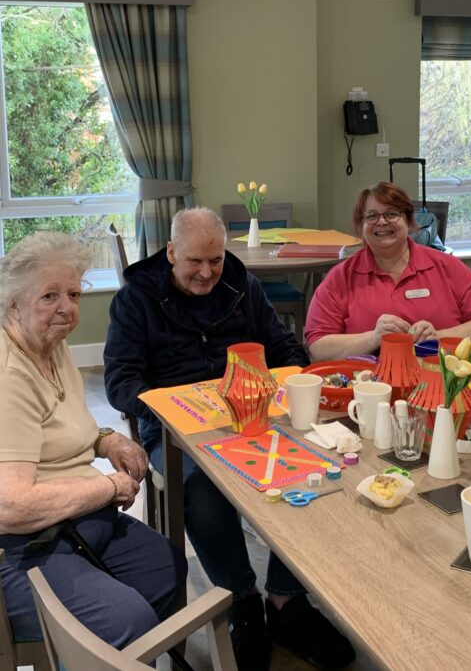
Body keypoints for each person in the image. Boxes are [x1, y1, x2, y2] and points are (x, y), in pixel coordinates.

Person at [104, 207, 355, 671]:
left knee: (316, 468)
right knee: (204, 490)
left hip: (254, 415)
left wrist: (297, 377)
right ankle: (241, 601)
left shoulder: (242, 286)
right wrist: (180, 403)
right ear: (171, 252)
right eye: (195, 262)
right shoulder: (136, 299)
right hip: (175, 431)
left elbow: (283, 348)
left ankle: (286, 600)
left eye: (215, 261)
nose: (207, 273)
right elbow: (120, 383)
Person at [0, 231, 187, 652]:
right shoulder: (8, 376)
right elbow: (10, 507)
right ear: (13, 302)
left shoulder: (50, 343)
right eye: (49, 296)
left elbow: (61, 430)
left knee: (168, 567)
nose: (66, 308)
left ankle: (115, 658)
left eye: (73, 294)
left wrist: (108, 441)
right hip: (20, 549)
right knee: (129, 619)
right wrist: (108, 486)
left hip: (73, 525)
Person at [305, 182, 471, 360]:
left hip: (444, 387)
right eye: (371, 216)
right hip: (367, 390)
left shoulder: (448, 267)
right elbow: (318, 346)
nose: (381, 222)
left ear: (408, 220)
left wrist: (437, 337)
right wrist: (374, 338)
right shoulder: (341, 278)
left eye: (391, 214)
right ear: (361, 225)